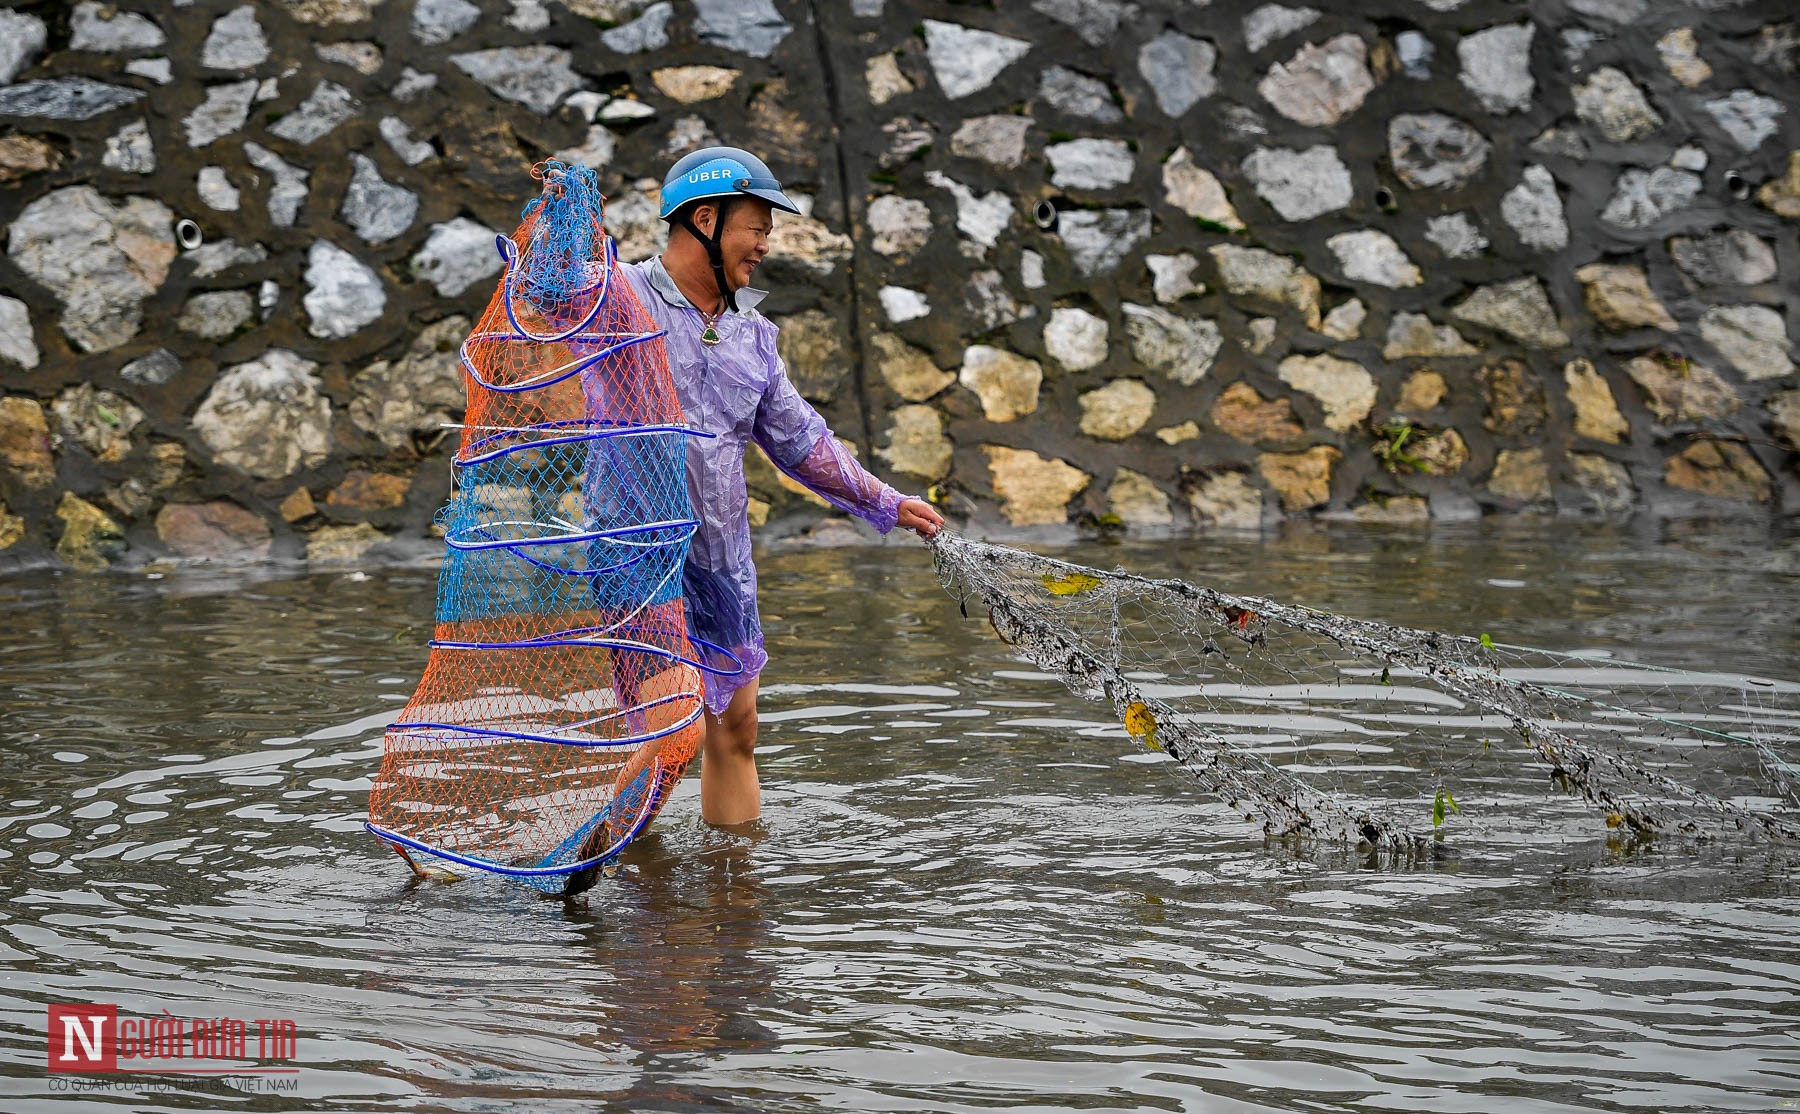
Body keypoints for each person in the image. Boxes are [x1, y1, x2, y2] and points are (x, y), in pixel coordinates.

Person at [616, 146, 944, 829]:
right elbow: (543, 292)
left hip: (721, 563)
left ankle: (732, 892)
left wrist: (886, 501)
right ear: (704, 219)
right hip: (637, 557)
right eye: (756, 226)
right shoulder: (617, 297)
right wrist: (556, 233)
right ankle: (601, 869)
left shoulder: (753, 335)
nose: (766, 244)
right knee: (669, 726)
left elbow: (802, 442)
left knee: (735, 731)